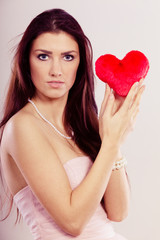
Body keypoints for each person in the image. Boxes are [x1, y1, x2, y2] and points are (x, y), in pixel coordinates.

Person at [0, 8, 145, 240]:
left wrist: (113, 138)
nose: (56, 70)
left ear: (80, 64)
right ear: (26, 62)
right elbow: (73, 221)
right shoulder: (22, 127)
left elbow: (118, 212)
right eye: (43, 56)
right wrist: (110, 143)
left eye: (68, 57)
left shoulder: (81, 125)